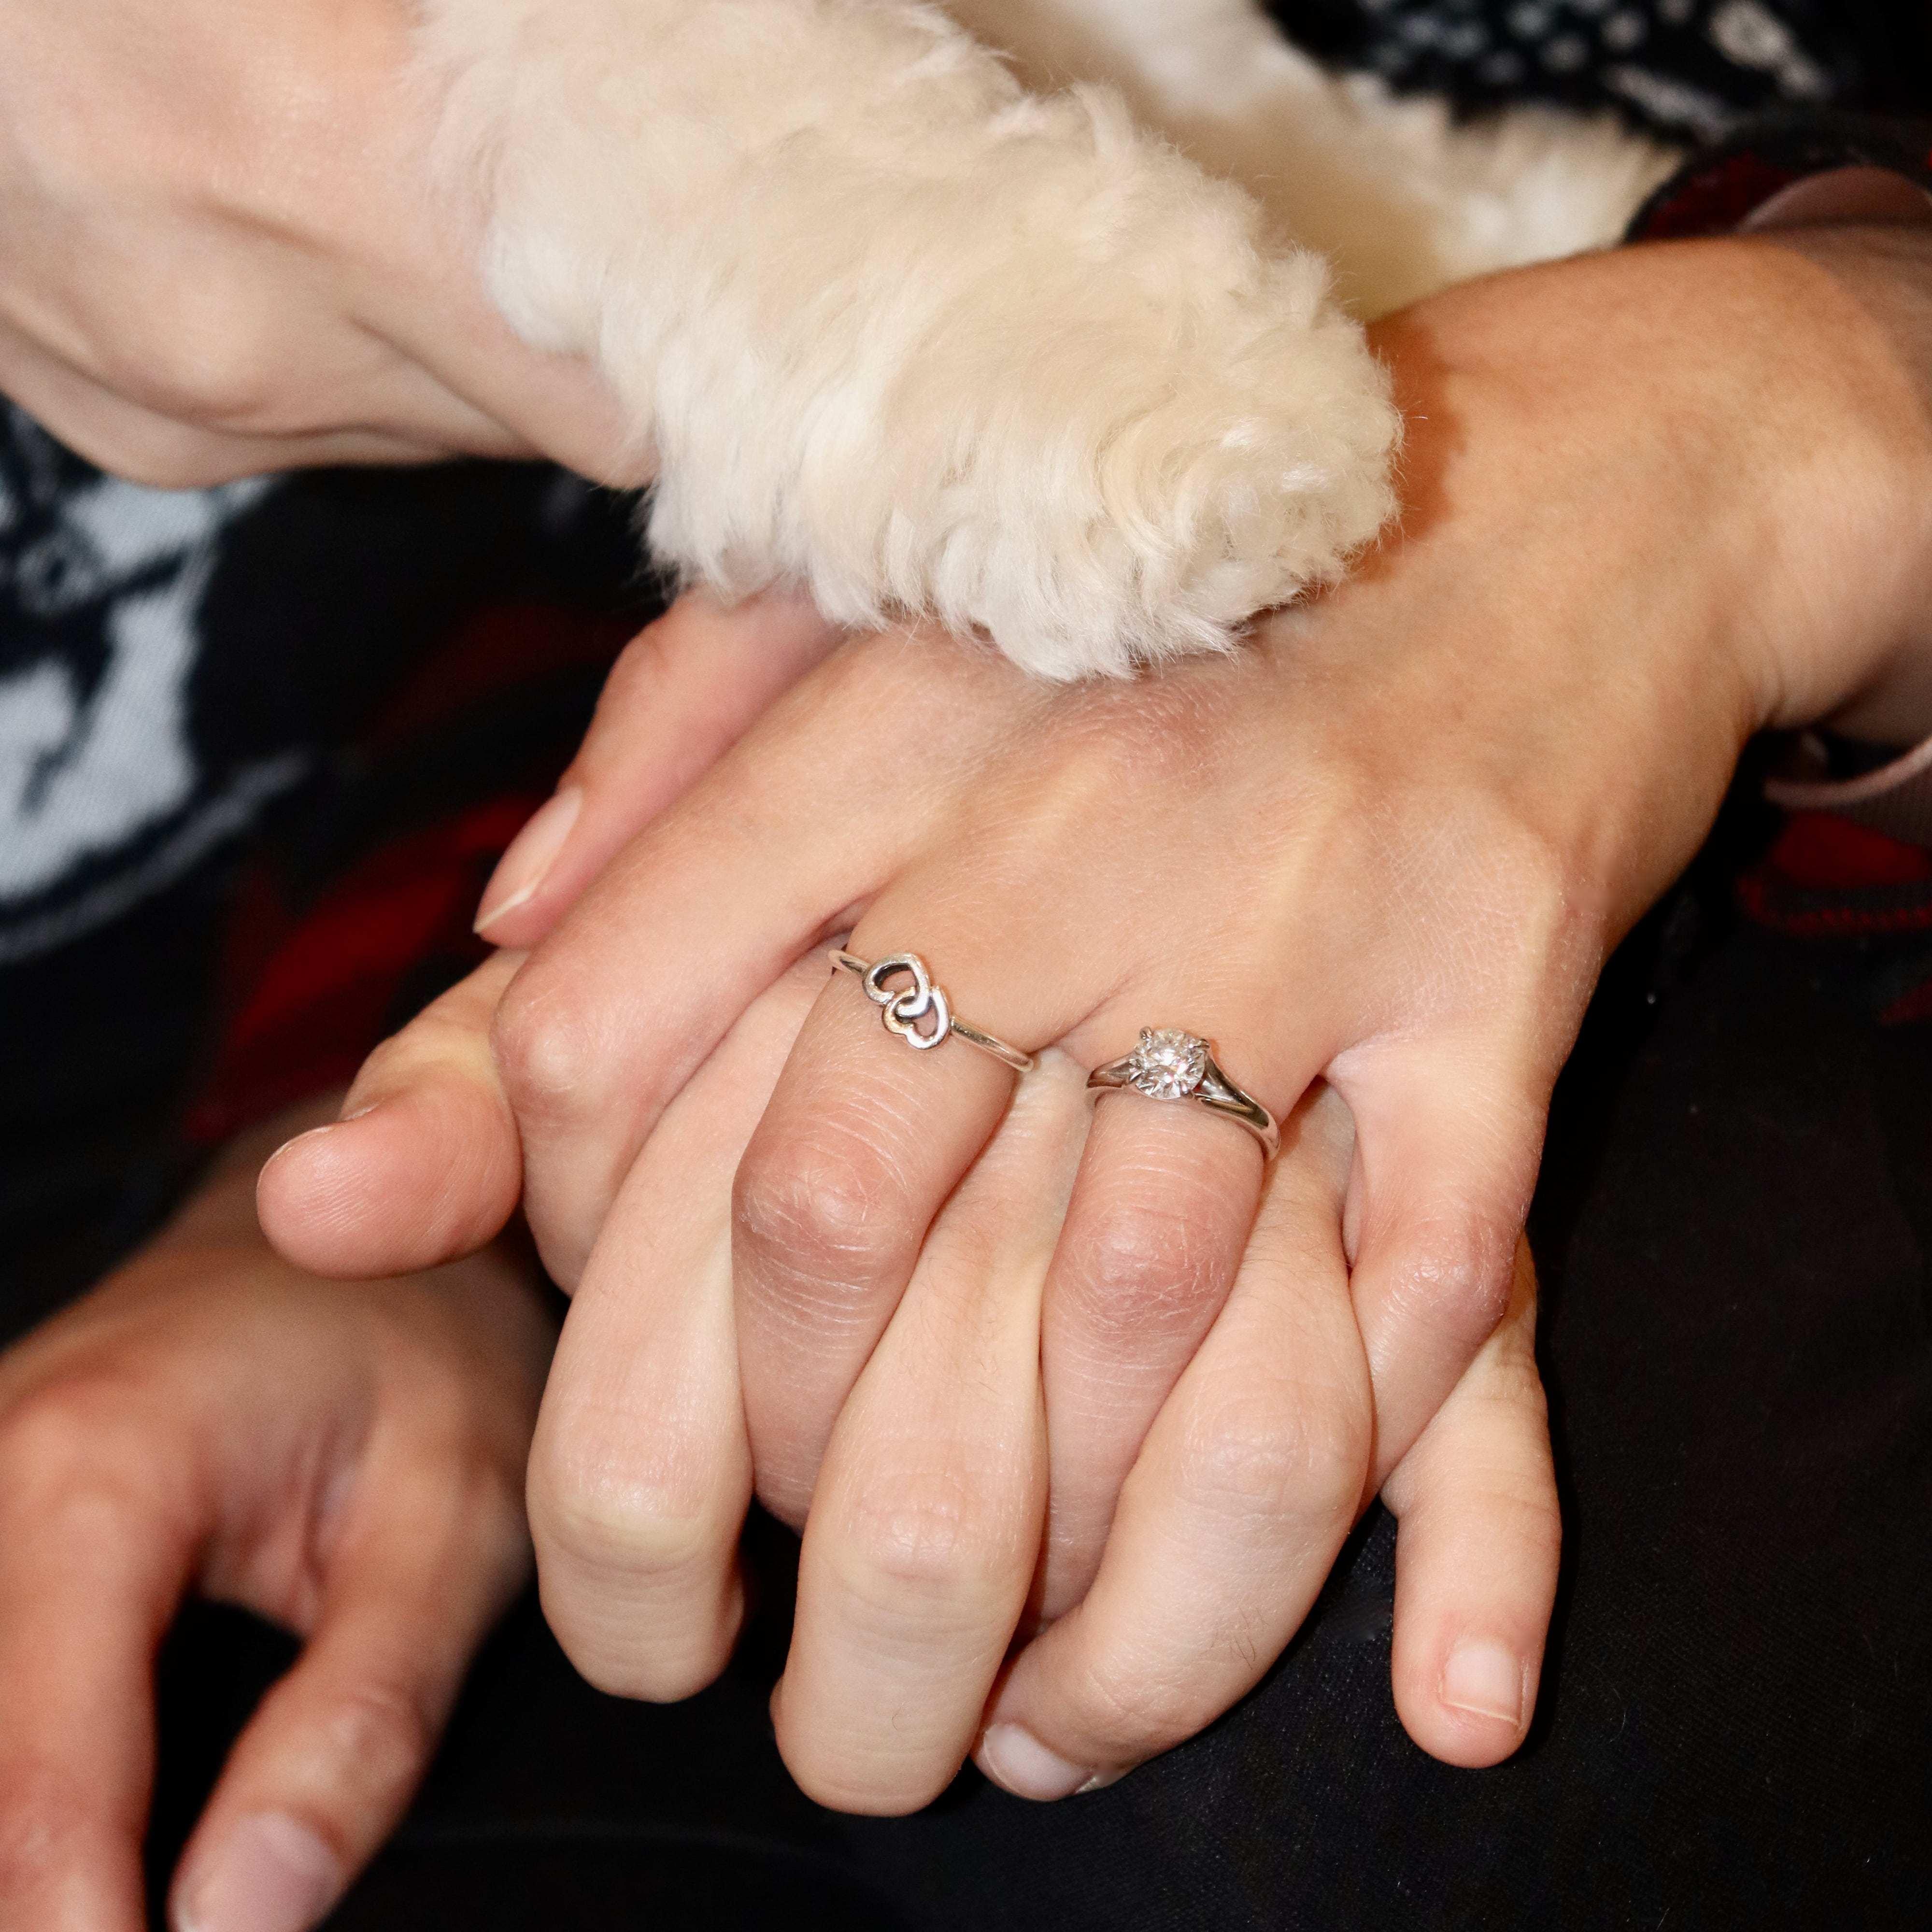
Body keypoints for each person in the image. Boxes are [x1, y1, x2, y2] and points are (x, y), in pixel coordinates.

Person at [2, 5, 1929, 1931]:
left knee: (1371, 1717)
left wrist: (1783, 407)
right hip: (314, 1111)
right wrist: (409, 1183)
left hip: (1632, 678)